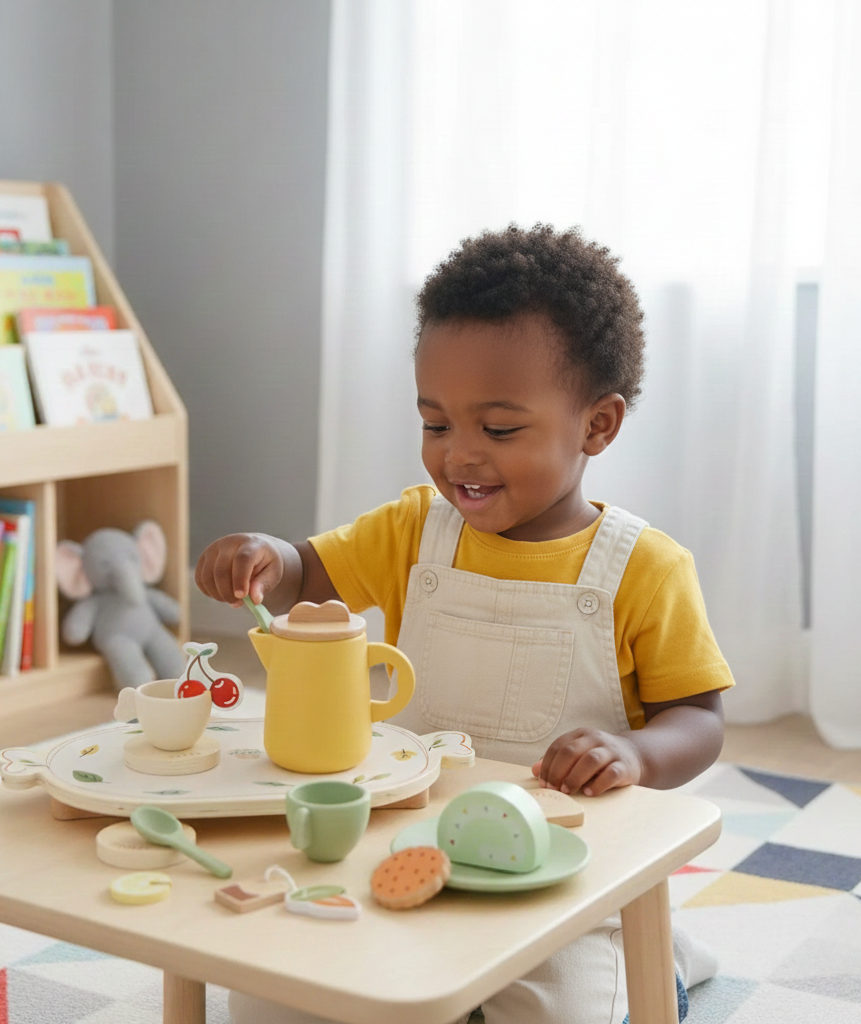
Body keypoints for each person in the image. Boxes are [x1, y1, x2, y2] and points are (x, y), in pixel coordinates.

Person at [197, 224, 733, 1024]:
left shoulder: (645, 568)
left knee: (566, 1014)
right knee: (269, 996)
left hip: (562, 866)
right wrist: (264, 557)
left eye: (500, 429)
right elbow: (311, 573)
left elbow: (699, 720)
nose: (459, 458)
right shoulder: (417, 529)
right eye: (436, 424)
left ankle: (656, 954)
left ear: (597, 426)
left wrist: (633, 752)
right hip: (405, 839)